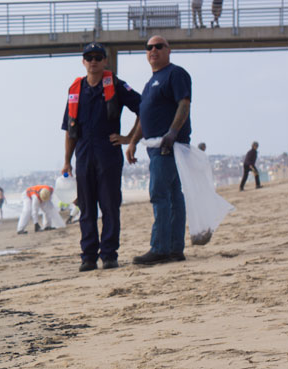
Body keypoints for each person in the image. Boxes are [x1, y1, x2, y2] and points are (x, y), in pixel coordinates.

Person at [61, 42, 141, 272]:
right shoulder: (75, 90)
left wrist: (129, 138)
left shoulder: (115, 85)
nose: (94, 61)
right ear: (83, 61)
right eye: (89, 57)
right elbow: (69, 129)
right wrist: (67, 161)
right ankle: (88, 256)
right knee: (86, 208)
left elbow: (143, 107)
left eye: (98, 57)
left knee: (109, 205)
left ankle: (109, 255)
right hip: (83, 154)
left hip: (108, 153)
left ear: (105, 61)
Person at [126, 35, 192, 266]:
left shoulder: (175, 74)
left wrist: (172, 132)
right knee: (173, 195)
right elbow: (145, 116)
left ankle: (161, 248)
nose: (153, 50)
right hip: (154, 146)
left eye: (158, 46)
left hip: (168, 146)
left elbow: (184, 103)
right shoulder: (150, 82)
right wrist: (133, 141)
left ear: (168, 50)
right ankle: (174, 249)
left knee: (160, 194)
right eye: (149, 47)